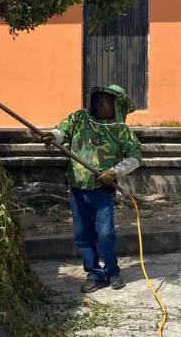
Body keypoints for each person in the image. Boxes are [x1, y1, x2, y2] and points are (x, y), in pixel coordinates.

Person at [41, 84, 142, 293]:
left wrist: (114, 172)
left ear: (118, 105)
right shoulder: (79, 119)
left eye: (106, 100)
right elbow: (62, 132)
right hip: (77, 188)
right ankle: (94, 274)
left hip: (101, 191)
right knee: (83, 234)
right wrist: (53, 136)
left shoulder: (121, 131)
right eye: (98, 98)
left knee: (105, 233)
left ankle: (112, 271)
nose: (100, 102)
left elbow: (135, 157)